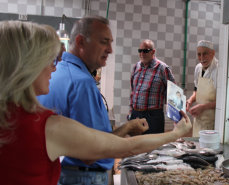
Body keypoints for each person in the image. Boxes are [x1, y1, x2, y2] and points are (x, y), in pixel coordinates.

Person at [0, 20, 192, 185]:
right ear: (25, 66)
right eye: (49, 60)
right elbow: (119, 148)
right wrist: (175, 134)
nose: (53, 67)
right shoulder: (47, 123)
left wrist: (126, 128)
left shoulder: (10, 117)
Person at [37, 16, 152, 184]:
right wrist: (127, 128)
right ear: (80, 41)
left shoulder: (55, 72)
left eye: (111, 42)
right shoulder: (81, 83)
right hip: (82, 177)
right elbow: (91, 153)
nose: (110, 50)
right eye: (104, 42)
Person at [128, 39, 176, 134]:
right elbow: (133, 91)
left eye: (145, 51)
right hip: (135, 114)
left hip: (153, 116)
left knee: (154, 147)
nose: (142, 53)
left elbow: (173, 93)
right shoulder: (136, 67)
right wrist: (130, 112)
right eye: (140, 51)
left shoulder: (162, 68)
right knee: (134, 145)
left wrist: (176, 119)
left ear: (153, 51)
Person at [186, 40, 218, 137]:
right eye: (199, 54)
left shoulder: (219, 70)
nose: (201, 58)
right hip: (198, 117)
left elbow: (222, 102)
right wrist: (191, 100)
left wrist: (204, 107)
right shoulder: (198, 68)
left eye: (205, 54)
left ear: (213, 53)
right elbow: (196, 90)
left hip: (212, 120)